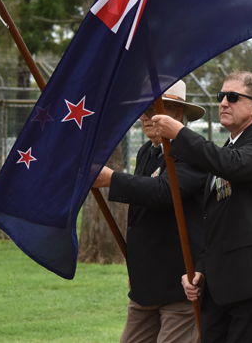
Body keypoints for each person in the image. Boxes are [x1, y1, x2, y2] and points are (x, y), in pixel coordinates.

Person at [151, 71, 252, 343]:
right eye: (221, 96)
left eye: (233, 97)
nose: (224, 102)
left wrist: (180, 133)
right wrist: (202, 268)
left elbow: (233, 165)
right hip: (222, 285)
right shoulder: (227, 148)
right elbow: (218, 219)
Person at [92, 80, 208, 343]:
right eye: (142, 110)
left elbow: (165, 192)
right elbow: (141, 211)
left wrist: (112, 179)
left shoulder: (191, 150)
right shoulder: (147, 151)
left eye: (153, 109)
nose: (144, 116)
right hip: (146, 284)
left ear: (177, 113)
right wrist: (137, 268)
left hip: (180, 283)